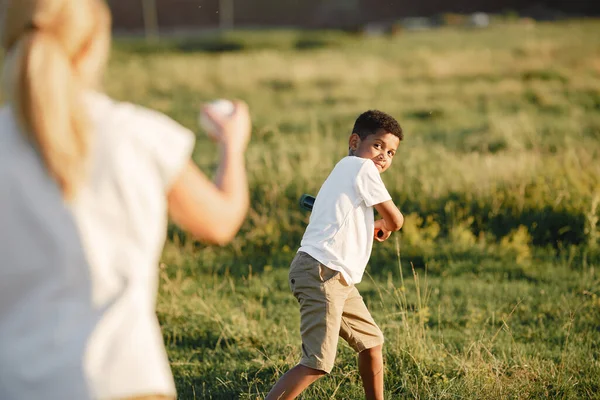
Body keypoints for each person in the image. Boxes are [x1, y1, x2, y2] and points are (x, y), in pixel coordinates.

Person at [0, 0, 251, 399]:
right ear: (93, 45)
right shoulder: (137, 134)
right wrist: (232, 147)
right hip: (128, 382)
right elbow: (221, 221)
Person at [266, 110, 404, 400]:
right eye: (377, 145)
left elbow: (347, 220)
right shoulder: (361, 168)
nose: (383, 156)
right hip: (322, 272)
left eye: (391, 152)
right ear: (355, 141)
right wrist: (384, 225)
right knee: (316, 364)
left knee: (371, 344)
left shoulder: (343, 172)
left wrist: (372, 226)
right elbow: (395, 218)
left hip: (336, 277)